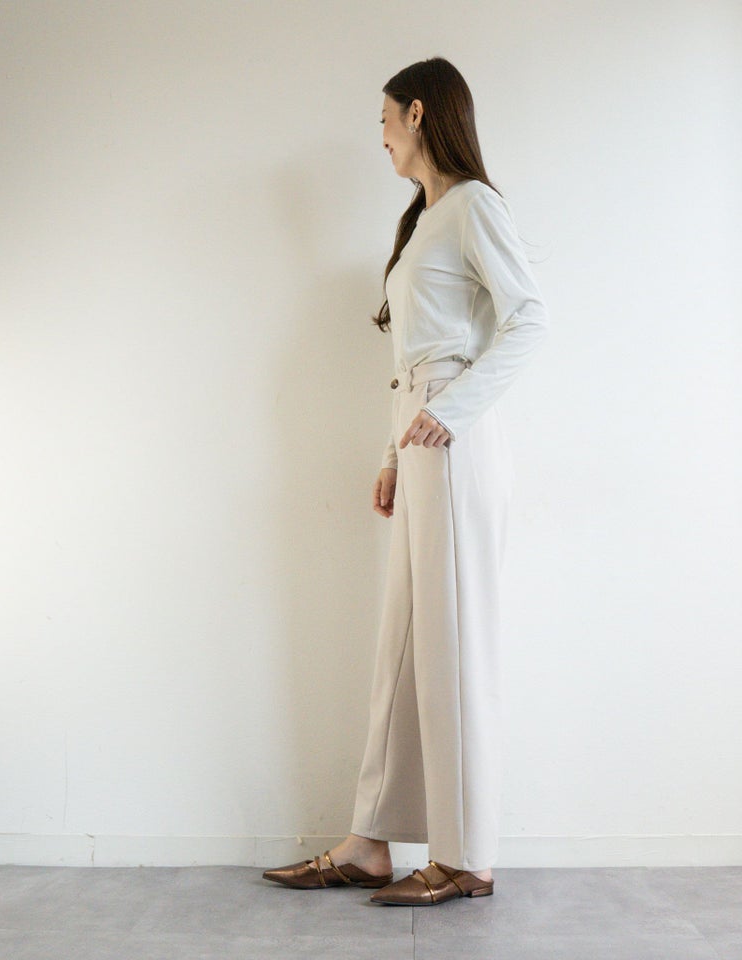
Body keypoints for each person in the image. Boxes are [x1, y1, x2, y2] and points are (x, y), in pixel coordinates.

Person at [262, 56, 549, 906]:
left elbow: (529, 318)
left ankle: (467, 857)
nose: (381, 135)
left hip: (456, 439)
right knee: (404, 648)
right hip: (425, 436)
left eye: (385, 118)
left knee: (453, 646)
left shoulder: (475, 206)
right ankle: (369, 842)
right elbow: (411, 362)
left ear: (418, 112)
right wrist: (393, 453)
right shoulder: (425, 220)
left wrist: (451, 413)